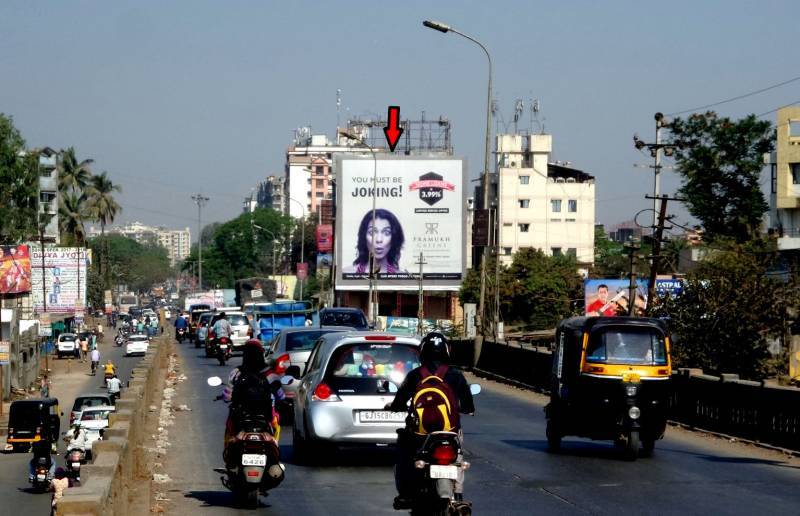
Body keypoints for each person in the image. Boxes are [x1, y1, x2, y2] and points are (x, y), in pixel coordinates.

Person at [386, 332, 475, 507]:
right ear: (446, 351)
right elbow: (468, 405)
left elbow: (400, 400)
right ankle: (457, 496)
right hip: (450, 431)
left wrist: (395, 406)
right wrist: (466, 409)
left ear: (423, 351)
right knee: (457, 457)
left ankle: (406, 494)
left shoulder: (415, 375)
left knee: (405, 452)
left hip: (420, 432)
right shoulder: (456, 375)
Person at [220, 339, 284, 463]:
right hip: (265, 416)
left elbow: (227, 396)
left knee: (229, 426)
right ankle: (274, 452)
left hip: (240, 416)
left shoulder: (237, 373)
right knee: (276, 423)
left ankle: (229, 459)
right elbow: (280, 396)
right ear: (261, 354)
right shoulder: (270, 373)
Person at [346, 209, 405, 275]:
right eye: (372, 232)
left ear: (394, 238)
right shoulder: (347, 273)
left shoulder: (402, 277)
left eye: (386, 233)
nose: (379, 240)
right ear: (364, 237)